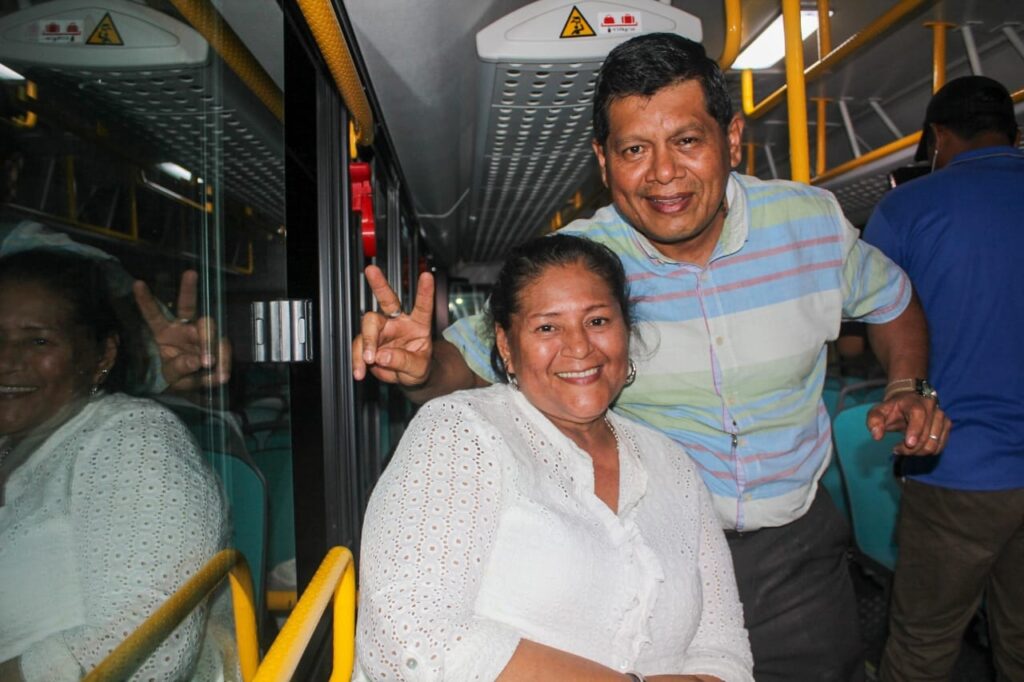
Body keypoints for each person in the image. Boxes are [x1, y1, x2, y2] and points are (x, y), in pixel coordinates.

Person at [354, 34, 951, 680]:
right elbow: (478, 366)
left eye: (687, 141)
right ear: (603, 161)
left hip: (794, 553)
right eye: (635, 149)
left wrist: (907, 385)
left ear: (732, 138)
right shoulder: (580, 267)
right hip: (644, 550)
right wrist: (422, 369)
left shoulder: (811, 225)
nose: (663, 173)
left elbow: (892, 300)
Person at [355, 234, 753, 682]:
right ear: (506, 346)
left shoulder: (673, 465)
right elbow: (406, 640)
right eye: (547, 327)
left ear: (626, 331)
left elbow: (725, 653)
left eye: (598, 321)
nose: (579, 347)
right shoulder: (461, 432)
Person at [0, 249, 228, 681]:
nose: (5, 360)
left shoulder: (134, 438)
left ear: (102, 355)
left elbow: (149, 654)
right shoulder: (13, 447)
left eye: (38, 340)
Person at [862, 76, 1024, 681]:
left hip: (956, 465)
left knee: (924, 645)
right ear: (1013, 134)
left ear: (937, 137)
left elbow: (873, 319)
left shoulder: (906, 208)